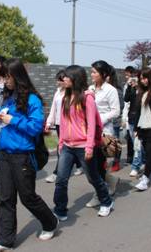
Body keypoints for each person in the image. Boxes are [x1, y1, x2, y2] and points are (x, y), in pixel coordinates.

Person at [0, 58, 58, 252]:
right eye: (3, 77)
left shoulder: (32, 99)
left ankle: (50, 222)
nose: (5, 81)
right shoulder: (8, 97)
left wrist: (11, 119)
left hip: (23, 155)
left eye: (7, 76)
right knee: (6, 197)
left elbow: (35, 127)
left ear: (17, 76)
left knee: (27, 197)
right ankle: (4, 240)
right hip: (5, 154)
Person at [53, 65, 114, 221]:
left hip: (83, 146)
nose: (63, 79)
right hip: (67, 146)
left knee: (93, 177)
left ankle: (106, 202)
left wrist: (89, 146)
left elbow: (92, 124)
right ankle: (60, 209)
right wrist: (60, 143)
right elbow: (63, 122)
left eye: (66, 76)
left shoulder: (87, 98)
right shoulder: (65, 97)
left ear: (75, 78)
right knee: (61, 179)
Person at [87, 60, 120, 207]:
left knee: (98, 165)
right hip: (88, 132)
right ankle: (111, 181)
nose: (92, 74)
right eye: (92, 71)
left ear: (103, 74)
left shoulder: (110, 90)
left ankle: (99, 195)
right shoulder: (90, 89)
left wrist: (99, 119)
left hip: (104, 132)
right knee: (90, 165)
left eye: (94, 72)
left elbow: (115, 111)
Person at [45, 70, 82, 183]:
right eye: (59, 80)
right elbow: (53, 108)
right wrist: (48, 122)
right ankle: (79, 165)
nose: (59, 82)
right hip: (58, 123)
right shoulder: (58, 92)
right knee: (64, 148)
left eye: (60, 80)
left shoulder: (73, 93)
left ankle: (57, 172)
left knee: (62, 149)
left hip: (69, 124)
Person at [124, 71, 143, 177]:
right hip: (131, 118)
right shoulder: (131, 89)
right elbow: (126, 99)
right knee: (136, 143)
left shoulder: (142, 90)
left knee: (137, 144)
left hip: (141, 120)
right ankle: (143, 161)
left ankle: (136, 166)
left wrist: (137, 88)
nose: (134, 81)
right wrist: (128, 86)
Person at [107, 65, 125, 172]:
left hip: (114, 121)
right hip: (104, 122)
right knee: (103, 142)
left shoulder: (116, 90)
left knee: (115, 142)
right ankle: (104, 160)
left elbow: (121, 106)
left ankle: (116, 162)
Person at [122, 66, 136, 164]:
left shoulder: (137, 84)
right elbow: (125, 99)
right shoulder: (126, 85)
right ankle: (130, 156)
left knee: (135, 137)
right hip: (128, 112)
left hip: (135, 113)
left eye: (128, 74)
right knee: (128, 135)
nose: (126, 77)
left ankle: (135, 157)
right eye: (126, 74)